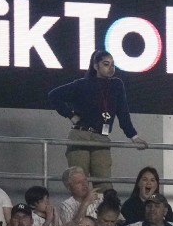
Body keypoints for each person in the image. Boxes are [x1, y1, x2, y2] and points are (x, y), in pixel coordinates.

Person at [48, 50, 147, 187]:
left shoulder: (117, 85)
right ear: (96, 66)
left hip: (102, 136)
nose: (110, 68)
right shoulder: (82, 84)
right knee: (79, 183)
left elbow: (123, 113)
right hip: (80, 134)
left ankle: (102, 208)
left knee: (104, 184)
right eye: (106, 64)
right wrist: (70, 115)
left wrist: (134, 137)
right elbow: (54, 95)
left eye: (113, 65)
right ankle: (81, 208)